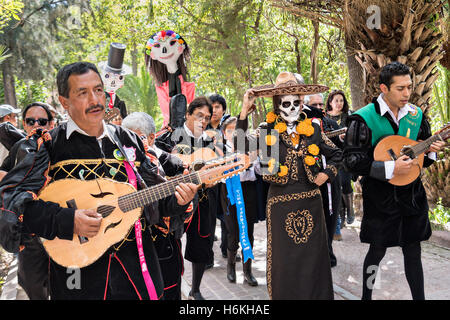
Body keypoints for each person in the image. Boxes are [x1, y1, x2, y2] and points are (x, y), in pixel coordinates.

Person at [0, 62, 197, 300]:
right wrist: (67, 220)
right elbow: (12, 205)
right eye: (83, 93)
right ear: (64, 102)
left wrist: (178, 200)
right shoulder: (48, 146)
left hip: (135, 273)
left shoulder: (129, 141)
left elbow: (152, 200)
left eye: (98, 90)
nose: (95, 100)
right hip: (78, 278)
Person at [343, 62, 446, 300]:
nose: (407, 94)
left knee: (413, 250)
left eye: (409, 87)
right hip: (380, 198)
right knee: (377, 250)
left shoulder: (416, 116)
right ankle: (366, 297)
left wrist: (431, 151)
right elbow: (351, 162)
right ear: (383, 88)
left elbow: (419, 163)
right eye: (400, 88)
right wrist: (390, 167)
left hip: (411, 196)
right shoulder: (362, 118)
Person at [237, 71, 342, 299]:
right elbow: (240, 146)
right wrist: (245, 110)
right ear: (277, 104)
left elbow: (336, 155)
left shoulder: (313, 129)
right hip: (280, 206)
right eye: (287, 103)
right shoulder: (268, 131)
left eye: (297, 102)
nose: (293, 107)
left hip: (312, 203)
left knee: (314, 259)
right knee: (284, 261)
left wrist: (326, 174)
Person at [122, 111, 194, 300]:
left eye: (134, 136)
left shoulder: (174, 165)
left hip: (163, 248)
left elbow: (185, 211)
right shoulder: (120, 164)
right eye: (123, 136)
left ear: (151, 137)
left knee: (168, 292)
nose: (127, 143)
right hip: (129, 249)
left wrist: (182, 202)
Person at [0, 102, 54, 299]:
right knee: (32, 285)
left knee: (70, 283)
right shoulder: (19, 147)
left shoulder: (60, 145)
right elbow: (5, 173)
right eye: (31, 121)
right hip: (29, 230)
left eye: (42, 121)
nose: (36, 124)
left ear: (51, 123)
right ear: (24, 124)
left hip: (59, 226)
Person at [171, 96, 220, 300]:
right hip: (175, 200)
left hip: (203, 199)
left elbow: (216, 169)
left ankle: (196, 288)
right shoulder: (171, 137)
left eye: (207, 117)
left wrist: (215, 177)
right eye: (199, 115)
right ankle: (174, 285)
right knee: (172, 243)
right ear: (188, 114)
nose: (203, 120)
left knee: (201, 243)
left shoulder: (210, 141)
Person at [304, 92, 343, 267]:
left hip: (331, 180)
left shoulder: (330, 124)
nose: (319, 108)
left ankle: (328, 252)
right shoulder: (300, 126)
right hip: (308, 182)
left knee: (331, 216)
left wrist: (342, 139)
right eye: (315, 105)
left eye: (321, 105)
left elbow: (340, 152)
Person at [219, 116, 258, 286]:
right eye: (229, 130)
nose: (233, 133)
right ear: (223, 133)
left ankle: (248, 271)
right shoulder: (219, 149)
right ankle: (230, 266)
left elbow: (259, 169)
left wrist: (252, 159)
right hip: (228, 192)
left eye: (237, 129)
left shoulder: (251, 145)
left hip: (248, 190)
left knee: (248, 231)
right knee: (233, 231)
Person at [325, 90, 355, 226]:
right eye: (336, 100)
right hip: (330, 156)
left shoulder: (349, 116)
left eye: (341, 100)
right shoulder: (324, 117)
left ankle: (350, 210)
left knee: (345, 183)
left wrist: (345, 137)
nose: (339, 103)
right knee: (336, 185)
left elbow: (356, 133)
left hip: (346, 155)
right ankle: (341, 216)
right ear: (330, 102)